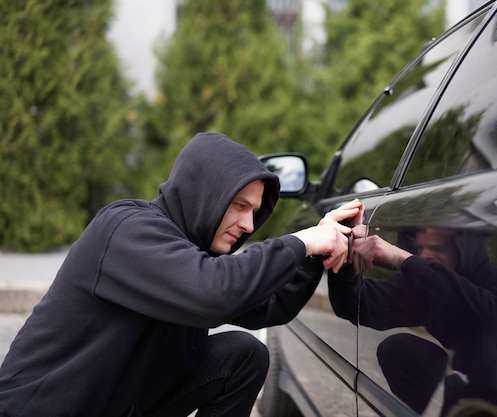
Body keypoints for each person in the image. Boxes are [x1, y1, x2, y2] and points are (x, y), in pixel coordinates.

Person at [0, 132, 361, 417]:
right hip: (44, 409)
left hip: (120, 406)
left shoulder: (195, 255)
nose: (249, 223)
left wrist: (319, 249)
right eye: (239, 206)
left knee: (244, 356)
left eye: (254, 211)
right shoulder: (127, 228)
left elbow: (270, 303)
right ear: (205, 192)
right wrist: (300, 242)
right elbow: (214, 292)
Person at [329, 222, 497, 416]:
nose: (424, 256)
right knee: (398, 349)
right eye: (420, 248)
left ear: (465, 251)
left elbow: (494, 318)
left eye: (437, 248)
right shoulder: (428, 285)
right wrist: (346, 259)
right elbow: (358, 305)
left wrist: (402, 258)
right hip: (466, 393)